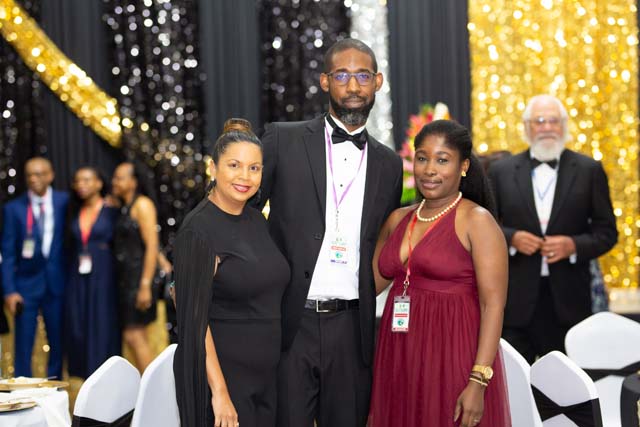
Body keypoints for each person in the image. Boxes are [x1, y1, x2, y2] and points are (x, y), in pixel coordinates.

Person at [257, 39, 403, 427]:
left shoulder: (390, 165)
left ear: (378, 82)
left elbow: (382, 243)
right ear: (325, 81)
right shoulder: (282, 140)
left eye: (363, 76)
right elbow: (244, 213)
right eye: (342, 76)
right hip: (291, 323)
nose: (353, 86)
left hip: (353, 330)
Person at [369, 120, 511, 427]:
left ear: (463, 166)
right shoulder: (398, 219)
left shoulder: (477, 220)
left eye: (442, 160)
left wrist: (478, 380)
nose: (429, 170)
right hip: (400, 353)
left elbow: (493, 305)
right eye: (422, 158)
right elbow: (366, 289)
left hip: (453, 353)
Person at [173, 118, 290, 427]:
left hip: (266, 379)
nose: (245, 177)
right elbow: (193, 319)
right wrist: (220, 393)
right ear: (213, 168)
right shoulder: (198, 230)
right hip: (226, 383)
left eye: (254, 168)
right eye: (234, 165)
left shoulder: (257, 220)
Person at [488, 94, 617, 363]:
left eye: (553, 121)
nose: (546, 127)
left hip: (569, 304)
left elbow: (607, 233)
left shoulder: (589, 170)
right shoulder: (501, 171)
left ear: (564, 126)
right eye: (539, 121)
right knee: (513, 382)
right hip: (515, 303)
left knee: (566, 384)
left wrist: (573, 246)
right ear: (527, 127)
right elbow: (484, 227)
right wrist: (512, 239)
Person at [1, 157, 69, 378]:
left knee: (58, 342)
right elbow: (8, 253)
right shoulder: (14, 209)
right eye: (29, 174)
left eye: (38, 174)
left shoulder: (65, 202)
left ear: (50, 175)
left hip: (57, 284)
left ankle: (55, 388)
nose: (33, 179)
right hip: (25, 287)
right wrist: (9, 291)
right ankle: (24, 391)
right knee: (23, 344)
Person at [64, 166, 120, 378]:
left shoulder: (112, 209)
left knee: (102, 322)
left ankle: (105, 379)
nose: (81, 185)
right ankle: (86, 380)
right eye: (77, 181)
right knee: (79, 323)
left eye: (87, 180)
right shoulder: (74, 210)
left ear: (99, 183)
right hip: (78, 274)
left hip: (104, 273)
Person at [111, 161, 159, 372]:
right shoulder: (124, 206)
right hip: (126, 280)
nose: (114, 182)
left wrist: (145, 285)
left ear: (133, 182)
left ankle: (154, 389)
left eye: (120, 178)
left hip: (139, 279)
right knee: (131, 336)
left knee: (135, 335)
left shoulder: (142, 205)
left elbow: (152, 246)